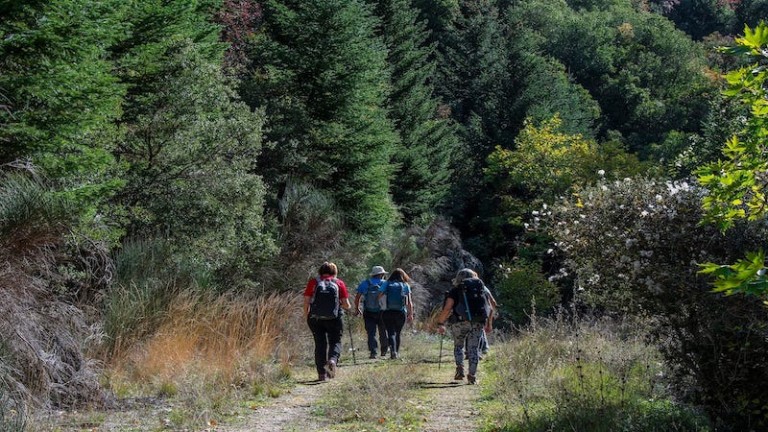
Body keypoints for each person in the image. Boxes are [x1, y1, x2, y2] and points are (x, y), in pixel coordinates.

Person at [436, 268, 494, 385]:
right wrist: (489, 324)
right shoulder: (481, 290)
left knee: (458, 346)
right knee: (474, 349)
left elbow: (448, 308)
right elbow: (490, 308)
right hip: (478, 322)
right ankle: (472, 375)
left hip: (459, 322)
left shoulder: (455, 290)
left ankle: (460, 368)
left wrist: (440, 322)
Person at [304, 261, 352, 381]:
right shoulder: (339, 283)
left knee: (320, 344)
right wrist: (347, 307)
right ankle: (332, 360)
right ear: (334, 272)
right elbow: (346, 305)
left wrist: (307, 316)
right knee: (335, 341)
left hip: (315, 318)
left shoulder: (314, 282)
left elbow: (306, 301)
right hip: (334, 318)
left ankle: (321, 374)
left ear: (320, 271)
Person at [377, 268, 414, 359]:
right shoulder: (405, 285)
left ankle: (393, 351)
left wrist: (383, 302)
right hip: (401, 312)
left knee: (390, 332)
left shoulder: (386, 283)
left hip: (388, 312)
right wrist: (410, 314)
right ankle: (396, 352)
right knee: (398, 333)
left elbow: (379, 296)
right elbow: (409, 302)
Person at [354, 266, 390, 359]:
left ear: (373, 275)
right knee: (383, 331)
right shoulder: (385, 283)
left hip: (368, 311)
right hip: (382, 311)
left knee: (371, 333)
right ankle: (384, 350)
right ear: (381, 274)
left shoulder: (365, 283)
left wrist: (357, 308)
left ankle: (373, 352)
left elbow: (358, 296)